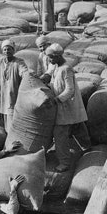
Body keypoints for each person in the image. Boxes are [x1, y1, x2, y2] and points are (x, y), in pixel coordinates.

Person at [43, 43, 89, 172]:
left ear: (57, 56)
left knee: (60, 134)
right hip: (65, 105)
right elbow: (49, 72)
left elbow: (70, 90)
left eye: (51, 57)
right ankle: (87, 147)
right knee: (77, 126)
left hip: (66, 104)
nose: (49, 60)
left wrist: (56, 100)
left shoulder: (66, 68)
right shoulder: (55, 65)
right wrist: (44, 77)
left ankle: (64, 162)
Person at [0, 39, 28, 133]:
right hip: (2, 96)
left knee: (12, 119)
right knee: (5, 118)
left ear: (13, 50)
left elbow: (24, 71)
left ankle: (11, 141)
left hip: (13, 96)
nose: (7, 51)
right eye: (5, 49)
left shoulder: (19, 62)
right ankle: (8, 138)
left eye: (9, 49)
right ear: (2, 51)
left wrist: (28, 75)